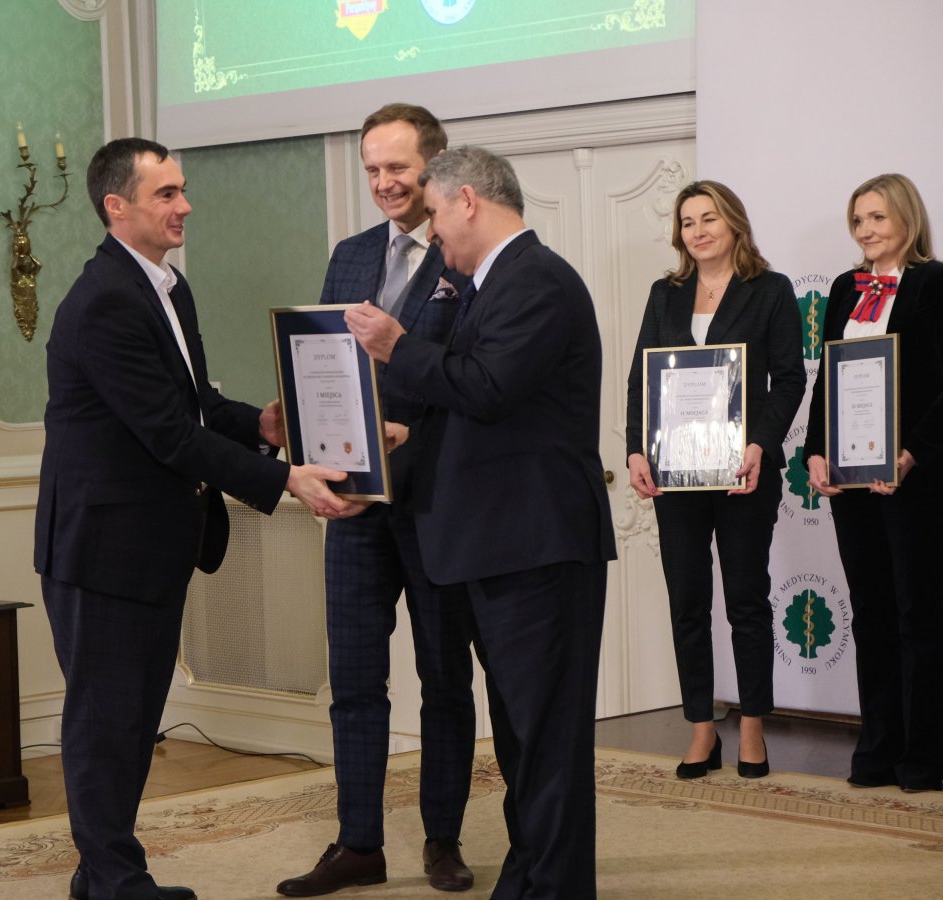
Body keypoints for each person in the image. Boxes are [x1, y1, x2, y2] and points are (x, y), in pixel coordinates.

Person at [33, 137, 351, 900]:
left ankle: (100, 875)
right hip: (102, 550)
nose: (185, 206)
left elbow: (194, 404)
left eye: (182, 190)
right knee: (107, 723)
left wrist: (261, 427)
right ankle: (116, 880)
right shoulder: (106, 300)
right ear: (117, 206)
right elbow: (168, 435)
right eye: (167, 193)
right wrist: (286, 479)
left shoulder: (167, 287)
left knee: (131, 719)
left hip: (147, 547)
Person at [346, 147, 616, 900]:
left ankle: (555, 887)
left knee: (547, 739)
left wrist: (398, 347)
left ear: (468, 200)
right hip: (504, 544)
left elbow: (490, 387)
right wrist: (407, 438)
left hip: (537, 545)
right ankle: (528, 877)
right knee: (524, 737)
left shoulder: (537, 279)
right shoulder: (491, 282)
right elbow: (482, 407)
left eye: (435, 213)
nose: (432, 233)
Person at [276, 103, 476, 898]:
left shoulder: (466, 257)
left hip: (437, 504)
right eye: (372, 169)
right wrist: (312, 449)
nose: (384, 183)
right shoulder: (351, 254)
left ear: (435, 167)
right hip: (355, 506)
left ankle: (443, 840)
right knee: (356, 682)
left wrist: (406, 440)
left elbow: (473, 386)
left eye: (398, 167)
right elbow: (328, 370)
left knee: (444, 680)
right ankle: (358, 844)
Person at [625, 181, 805, 780]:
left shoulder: (770, 290)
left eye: (709, 219)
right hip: (675, 473)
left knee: (747, 601)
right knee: (687, 602)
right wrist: (635, 449)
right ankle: (702, 728)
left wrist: (759, 445)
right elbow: (641, 377)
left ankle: (752, 726)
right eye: (687, 222)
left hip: (743, 471)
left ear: (734, 224)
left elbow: (790, 378)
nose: (697, 231)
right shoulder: (666, 293)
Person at [805, 173, 943, 793]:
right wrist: (815, 450)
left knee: (918, 613)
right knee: (870, 612)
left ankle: (924, 754)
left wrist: (911, 454)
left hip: (916, 481)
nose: (865, 230)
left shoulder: (937, 284)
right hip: (851, 482)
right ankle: (879, 745)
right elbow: (828, 378)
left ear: (907, 219)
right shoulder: (846, 287)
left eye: (877, 217)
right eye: (858, 220)